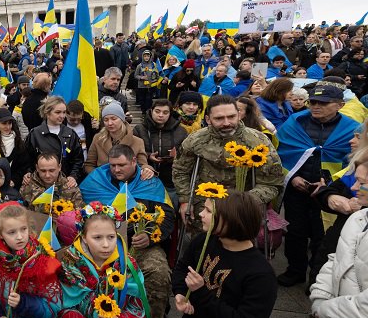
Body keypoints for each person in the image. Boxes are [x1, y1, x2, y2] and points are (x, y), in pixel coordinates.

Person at [159, 190, 277, 318]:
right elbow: (182, 268)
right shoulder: (205, 241)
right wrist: (180, 294)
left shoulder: (260, 273)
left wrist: (201, 293)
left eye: (208, 211)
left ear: (232, 220)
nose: (200, 214)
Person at [80, 144, 175, 318]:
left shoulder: (149, 183)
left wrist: (150, 237)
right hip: (104, 246)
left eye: (122, 165)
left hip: (141, 245)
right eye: (113, 165)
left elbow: (168, 215)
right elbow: (81, 213)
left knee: (159, 272)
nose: (116, 170)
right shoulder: (96, 180)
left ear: (134, 162)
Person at [276, 82, 359, 287]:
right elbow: (278, 154)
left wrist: (329, 186)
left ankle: (317, 276)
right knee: (295, 232)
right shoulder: (295, 122)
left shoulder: (352, 129)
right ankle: (294, 270)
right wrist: (291, 178)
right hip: (297, 189)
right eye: (312, 101)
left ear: (339, 105)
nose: (315, 106)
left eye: (323, 102)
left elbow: (354, 161)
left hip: (329, 193)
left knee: (321, 235)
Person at [173, 94, 283, 236]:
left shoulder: (258, 141)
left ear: (239, 115)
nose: (226, 123)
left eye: (231, 117)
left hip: (242, 206)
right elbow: (180, 171)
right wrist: (185, 200)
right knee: (202, 250)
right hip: (205, 205)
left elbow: (272, 182)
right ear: (208, 119)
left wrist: (243, 202)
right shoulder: (195, 140)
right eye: (219, 118)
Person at [309, 153, 368, 318]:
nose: (353, 188)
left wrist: (326, 310)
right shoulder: (358, 218)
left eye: (362, 183)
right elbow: (338, 258)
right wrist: (321, 293)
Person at [134, 99, 188, 205]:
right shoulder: (140, 129)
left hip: (171, 180)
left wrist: (176, 155)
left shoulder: (181, 131)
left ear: (170, 114)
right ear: (151, 111)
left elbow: (187, 154)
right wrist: (149, 156)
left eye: (165, 112)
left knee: (170, 210)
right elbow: (133, 152)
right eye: (157, 111)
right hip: (146, 179)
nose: (161, 115)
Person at [85, 102, 153, 178]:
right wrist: (98, 177)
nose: (109, 123)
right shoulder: (98, 139)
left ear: (122, 119)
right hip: (103, 184)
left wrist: (147, 169)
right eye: (106, 120)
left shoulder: (138, 142)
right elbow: (89, 165)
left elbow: (143, 165)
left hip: (129, 185)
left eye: (114, 119)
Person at [25, 96, 83, 184]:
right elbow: (27, 159)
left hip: (65, 183)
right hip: (39, 184)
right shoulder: (35, 134)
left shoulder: (70, 134)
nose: (62, 116)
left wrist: (73, 176)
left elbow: (78, 159)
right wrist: (28, 173)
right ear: (47, 113)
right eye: (58, 112)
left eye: (64, 112)